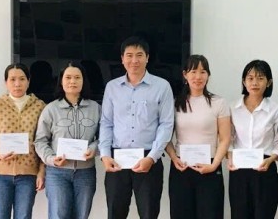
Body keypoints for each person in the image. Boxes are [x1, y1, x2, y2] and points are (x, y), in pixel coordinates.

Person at [98, 36, 174, 219]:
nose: (134, 60)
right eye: (129, 55)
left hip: (148, 158)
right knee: (115, 213)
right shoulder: (112, 87)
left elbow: (166, 124)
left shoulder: (162, 86)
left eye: (139, 55)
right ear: (122, 58)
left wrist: (152, 157)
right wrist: (105, 155)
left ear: (147, 57)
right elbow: (106, 123)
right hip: (117, 159)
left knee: (148, 214)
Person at [165, 54, 231, 219]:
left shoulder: (219, 102)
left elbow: (225, 138)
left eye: (203, 72)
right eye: (193, 71)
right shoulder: (174, 103)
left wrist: (214, 165)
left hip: (209, 167)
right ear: (185, 74)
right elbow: (165, 137)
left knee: (210, 214)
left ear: (208, 75)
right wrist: (174, 158)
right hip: (181, 167)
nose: (198, 77)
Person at [34, 61, 101, 219]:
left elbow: (104, 137)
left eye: (77, 77)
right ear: (61, 81)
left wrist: (94, 148)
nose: (72, 81)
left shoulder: (95, 108)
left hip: (85, 173)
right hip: (57, 173)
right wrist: (51, 159)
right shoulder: (51, 109)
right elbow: (40, 141)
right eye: (68, 77)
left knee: (81, 215)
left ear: (83, 81)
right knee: (59, 215)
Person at [0, 63, 46, 219]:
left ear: (28, 81)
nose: (17, 84)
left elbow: (44, 141)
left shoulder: (40, 106)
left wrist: (41, 171)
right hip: (0, 174)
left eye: (22, 79)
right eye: (12, 79)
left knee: (23, 216)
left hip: (28, 174)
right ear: (6, 82)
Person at [228, 59, 278, 219]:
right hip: (239, 170)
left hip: (265, 168)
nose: (255, 83)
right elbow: (228, 138)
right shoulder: (232, 108)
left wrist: (271, 159)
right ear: (244, 82)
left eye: (260, 78)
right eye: (250, 78)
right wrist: (229, 157)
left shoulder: (276, 109)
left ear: (269, 82)